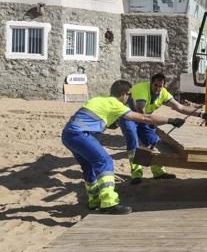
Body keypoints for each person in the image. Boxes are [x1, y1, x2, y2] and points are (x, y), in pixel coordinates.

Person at [61, 80, 185, 215]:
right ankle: (109, 203)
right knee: (104, 161)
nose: (129, 98)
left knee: (88, 165)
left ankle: (94, 201)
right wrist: (171, 120)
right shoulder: (116, 104)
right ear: (125, 94)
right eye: (129, 95)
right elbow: (145, 118)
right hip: (80, 135)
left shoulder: (98, 99)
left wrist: (110, 123)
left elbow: (93, 117)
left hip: (68, 135)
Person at [117, 73, 207, 185]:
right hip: (128, 116)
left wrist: (200, 114)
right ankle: (136, 174)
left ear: (164, 86)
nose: (158, 88)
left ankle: (158, 172)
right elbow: (141, 112)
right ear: (151, 83)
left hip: (146, 117)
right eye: (155, 85)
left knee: (154, 141)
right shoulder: (142, 90)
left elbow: (179, 107)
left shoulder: (163, 93)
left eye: (160, 86)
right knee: (133, 140)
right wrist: (168, 121)